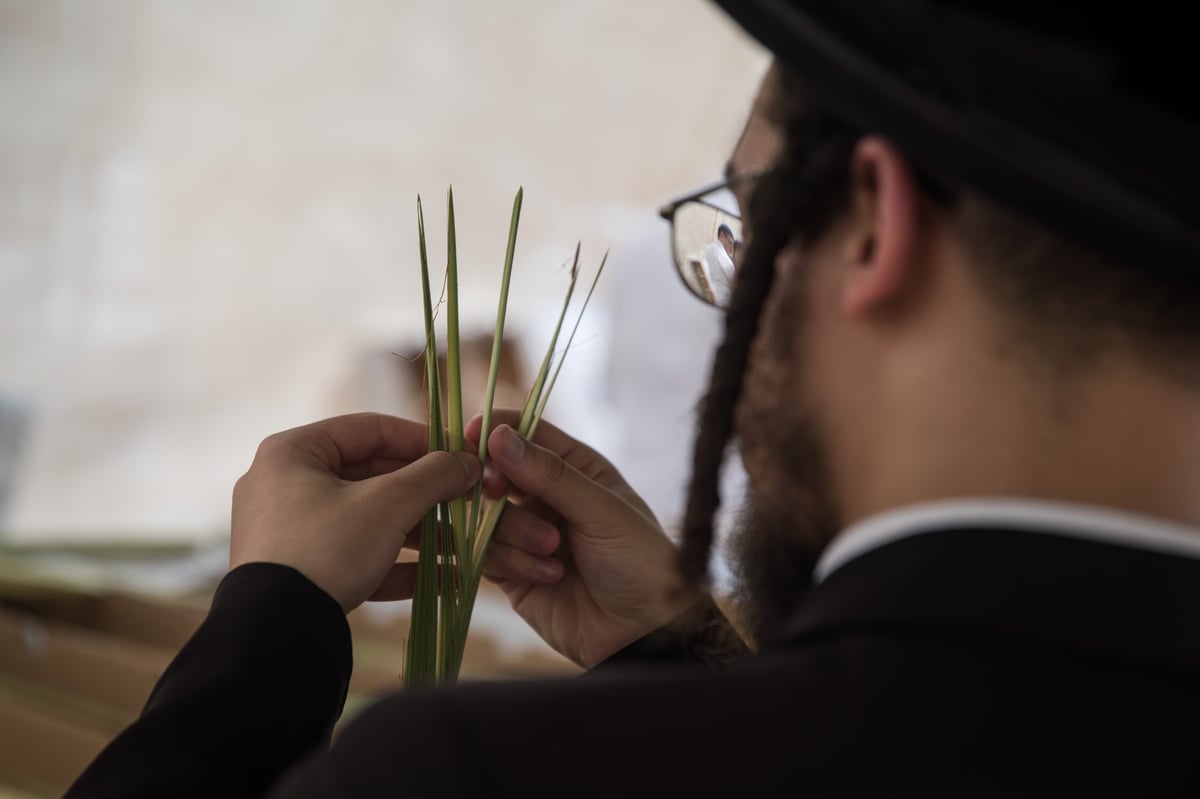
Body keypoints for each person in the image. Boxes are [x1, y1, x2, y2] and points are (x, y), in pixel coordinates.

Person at [66, 1, 1200, 796]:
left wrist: (268, 631)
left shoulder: (469, 777)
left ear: (869, 226)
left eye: (739, 228)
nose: (723, 304)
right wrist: (680, 663)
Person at [703, 222, 737, 305]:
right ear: (722, 235)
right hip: (723, 303)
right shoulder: (723, 256)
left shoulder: (707, 250)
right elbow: (734, 284)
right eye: (730, 243)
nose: (731, 250)